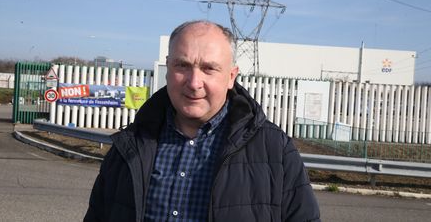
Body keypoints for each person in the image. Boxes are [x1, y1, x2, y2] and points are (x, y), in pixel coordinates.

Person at [84, 20, 320, 222]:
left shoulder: (276, 151)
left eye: (209, 69)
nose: (194, 82)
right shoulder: (130, 146)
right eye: (183, 66)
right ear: (168, 68)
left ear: (231, 76)